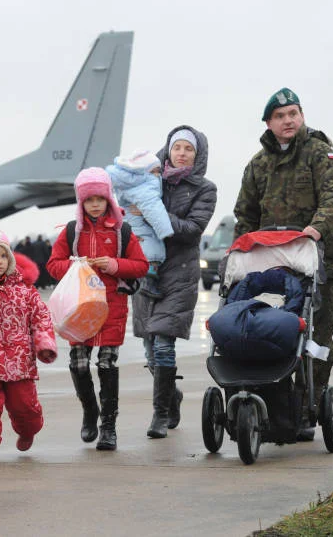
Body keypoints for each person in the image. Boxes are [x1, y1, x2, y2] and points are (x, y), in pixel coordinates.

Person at [233, 88, 333, 440]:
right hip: (269, 261)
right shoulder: (257, 164)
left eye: (294, 113)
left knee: (317, 332)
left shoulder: (320, 152)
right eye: (281, 116)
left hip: (315, 259)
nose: (289, 121)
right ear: (269, 123)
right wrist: (240, 251)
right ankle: (270, 402)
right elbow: (246, 213)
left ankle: (306, 407)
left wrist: (317, 228)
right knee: (266, 330)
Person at [47, 167, 149, 450]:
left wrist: (114, 265)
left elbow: (141, 266)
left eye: (99, 199)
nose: (94, 204)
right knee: (79, 365)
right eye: (88, 199)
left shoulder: (122, 231)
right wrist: (76, 264)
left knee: (106, 364)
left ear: (108, 200)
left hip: (111, 307)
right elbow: (53, 266)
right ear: (81, 202)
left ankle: (109, 427)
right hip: (79, 307)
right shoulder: (71, 231)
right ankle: (90, 412)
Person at [132, 126, 216, 439]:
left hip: (179, 272)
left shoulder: (205, 189)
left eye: (188, 149)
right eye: (176, 147)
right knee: (150, 350)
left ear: (197, 155)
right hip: (146, 271)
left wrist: (154, 214)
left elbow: (193, 228)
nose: (181, 153)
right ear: (168, 150)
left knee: (164, 343)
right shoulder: (149, 179)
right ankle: (172, 395)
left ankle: (160, 414)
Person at [0, 229, 57, 465]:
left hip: (19, 361)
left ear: (10, 259)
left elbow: (41, 319)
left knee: (24, 406)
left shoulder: (26, 291)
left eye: (2, 256)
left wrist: (44, 344)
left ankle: (28, 430)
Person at [105, 149, 174, 298]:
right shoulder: (145, 187)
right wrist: (165, 230)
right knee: (152, 254)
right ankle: (148, 285)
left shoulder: (128, 185)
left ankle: (129, 282)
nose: (158, 175)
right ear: (144, 171)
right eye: (155, 171)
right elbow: (154, 210)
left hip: (132, 226)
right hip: (143, 230)